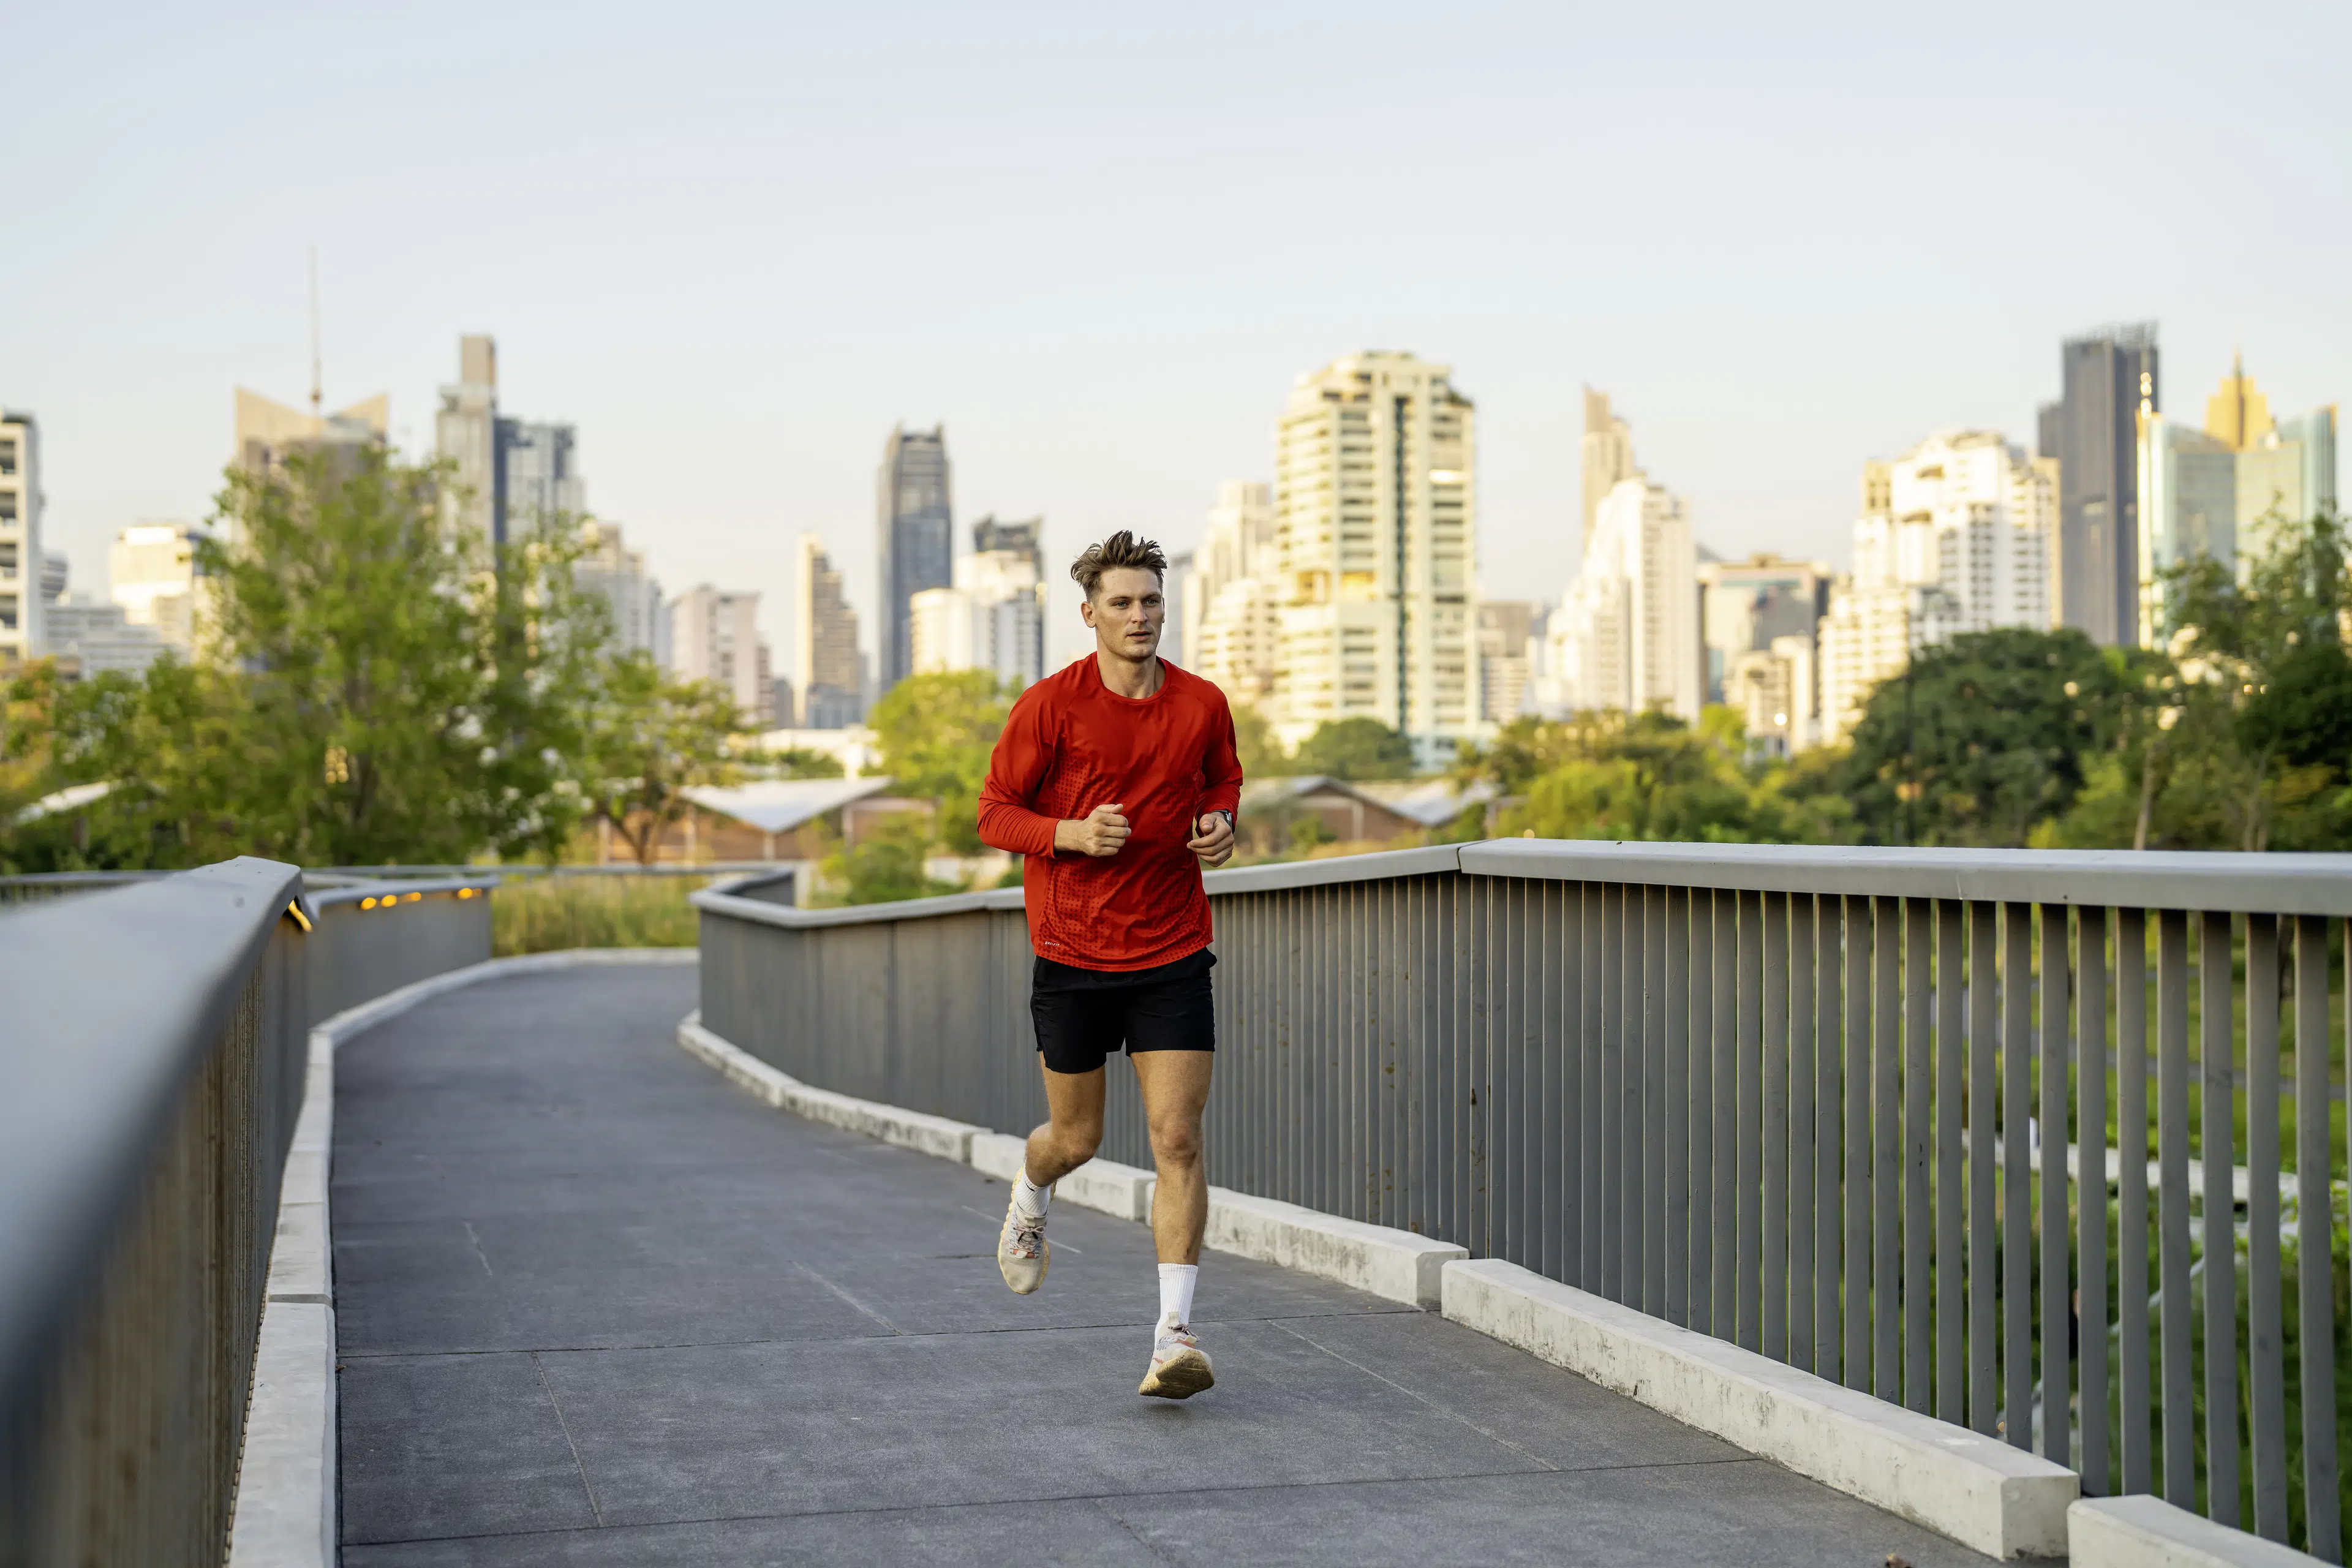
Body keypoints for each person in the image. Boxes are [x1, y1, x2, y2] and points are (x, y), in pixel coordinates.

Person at [975, 530, 1241, 1399]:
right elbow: (994, 814)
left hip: (1171, 947)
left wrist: (1219, 826)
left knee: (1178, 1138)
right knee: (1077, 1140)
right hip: (1074, 952)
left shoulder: (1202, 704)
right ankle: (1031, 1192)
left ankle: (1174, 1335)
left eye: (1152, 601)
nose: (1140, 616)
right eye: (1123, 603)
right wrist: (1069, 835)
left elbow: (1222, 783)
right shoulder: (1050, 707)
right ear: (1089, 615)